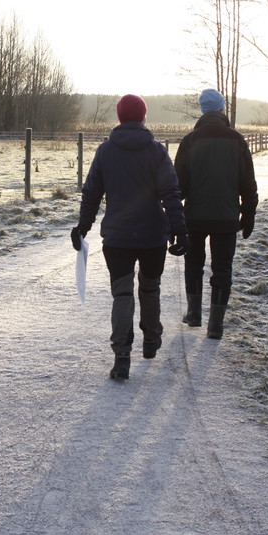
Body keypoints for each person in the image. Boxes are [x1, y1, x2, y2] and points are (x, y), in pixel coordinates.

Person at [71, 94, 189, 380]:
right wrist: (179, 230)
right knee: (150, 288)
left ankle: (122, 355)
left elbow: (92, 194)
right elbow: (171, 194)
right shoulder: (157, 152)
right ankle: (151, 338)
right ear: (144, 116)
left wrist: (83, 227)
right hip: (152, 235)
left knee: (122, 293)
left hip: (118, 237)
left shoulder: (106, 151)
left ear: (120, 117)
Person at [174, 88, 258, 340]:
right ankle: (216, 326)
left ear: (202, 110)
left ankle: (194, 314)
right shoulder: (237, 140)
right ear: (221, 109)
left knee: (194, 263)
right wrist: (248, 214)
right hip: (226, 216)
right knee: (222, 268)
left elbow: (178, 185)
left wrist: (174, 218)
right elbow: (248, 183)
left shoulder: (190, 141)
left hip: (195, 216)